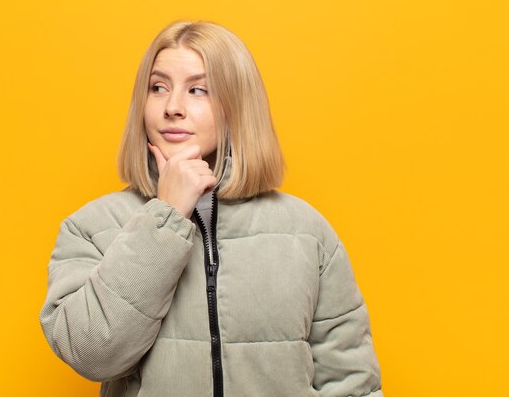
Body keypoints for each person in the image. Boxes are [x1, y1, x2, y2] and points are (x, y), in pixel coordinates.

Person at [39, 20, 383, 397]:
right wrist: (166, 215)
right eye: (158, 87)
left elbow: (351, 383)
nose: (173, 107)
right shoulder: (92, 227)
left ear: (237, 104)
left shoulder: (307, 232)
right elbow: (91, 354)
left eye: (198, 90)